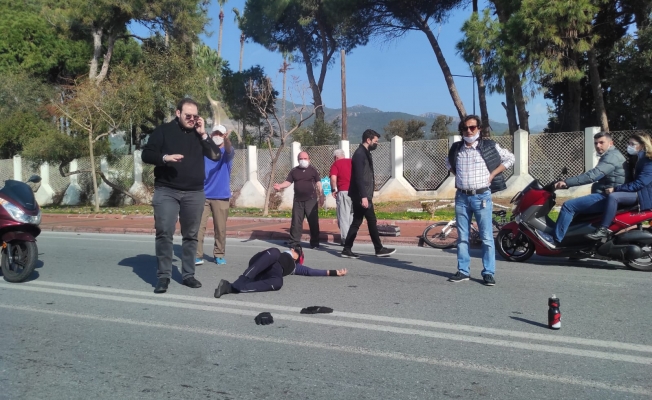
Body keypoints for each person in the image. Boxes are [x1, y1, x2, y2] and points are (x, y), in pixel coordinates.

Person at [141, 98, 222, 294]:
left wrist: (204, 134)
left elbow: (215, 155)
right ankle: (163, 276)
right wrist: (164, 158)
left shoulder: (199, 134)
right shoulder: (163, 131)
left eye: (195, 116)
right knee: (164, 232)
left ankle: (188, 275)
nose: (192, 119)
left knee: (191, 236)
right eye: (188, 116)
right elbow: (146, 154)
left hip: (194, 192)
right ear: (178, 113)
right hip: (166, 190)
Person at [446, 115, 515, 286]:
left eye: (472, 127)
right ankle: (463, 271)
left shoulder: (489, 146)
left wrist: (492, 174)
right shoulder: (456, 148)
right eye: (465, 128)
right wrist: (460, 177)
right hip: (461, 197)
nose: (469, 131)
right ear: (461, 130)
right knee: (462, 237)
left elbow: (510, 158)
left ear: (479, 129)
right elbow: (448, 164)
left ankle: (488, 272)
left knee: (486, 237)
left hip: (481, 197)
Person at [535, 132, 627, 248]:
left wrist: (567, 182)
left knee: (569, 206)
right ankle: (573, 241)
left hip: (607, 197)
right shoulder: (611, 155)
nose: (598, 146)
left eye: (601, 142)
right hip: (607, 195)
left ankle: (555, 240)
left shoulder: (611, 157)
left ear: (611, 143)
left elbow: (593, 176)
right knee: (576, 210)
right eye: (596, 143)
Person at [341, 129, 396, 259]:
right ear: (368, 140)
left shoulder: (365, 153)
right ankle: (379, 248)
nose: (377, 144)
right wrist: (364, 197)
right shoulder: (360, 154)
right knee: (371, 220)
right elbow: (359, 177)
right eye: (375, 141)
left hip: (362, 194)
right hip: (361, 195)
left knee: (357, 221)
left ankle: (347, 249)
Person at [213, 245, 347, 297]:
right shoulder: (280, 253)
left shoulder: (294, 267)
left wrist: (334, 272)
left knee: (278, 283)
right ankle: (241, 280)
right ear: (292, 249)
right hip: (261, 261)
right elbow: (270, 254)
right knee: (275, 252)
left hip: (270, 273)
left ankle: (230, 288)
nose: (297, 252)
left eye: (299, 254)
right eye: (297, 250)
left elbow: (311, 271)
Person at [587, 133, 652, 239]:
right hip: (639, 192)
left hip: (644, 195)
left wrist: (616, 189)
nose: (629, 146)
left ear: (642, 145)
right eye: (628, 143)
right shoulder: (636, 159)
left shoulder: (648, 160)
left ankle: (604, 229)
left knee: (614, 197)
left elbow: (640, 183)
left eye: (632, 144)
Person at [196, 124, 235, 266]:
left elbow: (229, 148)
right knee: (198, 227)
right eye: (215, 133)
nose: (217, 136)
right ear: (211, 135)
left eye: (220, 134)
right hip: (203, 195)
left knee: (220, 228)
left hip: (221, 197)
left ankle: (219, 254)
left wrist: (227, 140)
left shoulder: (227, 152)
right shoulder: (204, 151)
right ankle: (197, 255)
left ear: (224, 136)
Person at [273, 151, 322, 249]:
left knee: (313, 222)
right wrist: (280, 186)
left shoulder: (313, 170)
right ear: (298, 160)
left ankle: (315, 243)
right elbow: (288, 182)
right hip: (298, 200)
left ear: (309, 160)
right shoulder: (294, 171)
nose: (303, 160)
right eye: (301, 159)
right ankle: (294, 243)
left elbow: (318, 182)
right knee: (296, 222)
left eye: (305, 158)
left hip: (311, 200)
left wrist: (321, 194)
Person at [329, 149, 353, 246]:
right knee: (351, 215)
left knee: (343, 216)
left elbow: (333, 178)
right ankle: (351, 236)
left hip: (343, 191)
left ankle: (345, 239)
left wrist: (333, 189)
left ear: (336, 157)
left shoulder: (336, 164)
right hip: (355, 192)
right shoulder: (352, 162)